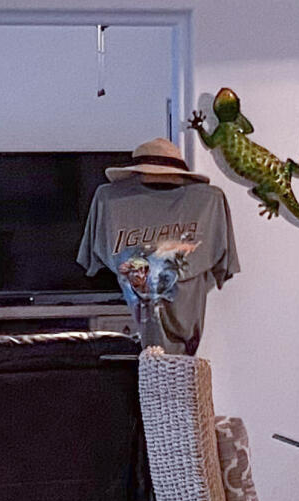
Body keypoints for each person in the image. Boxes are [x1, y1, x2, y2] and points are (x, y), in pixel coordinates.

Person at [79, 138, 238, 353]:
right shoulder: (108, 200)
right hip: (129, 323)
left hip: (185, 339)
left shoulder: (210, 202)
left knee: (174, 379)